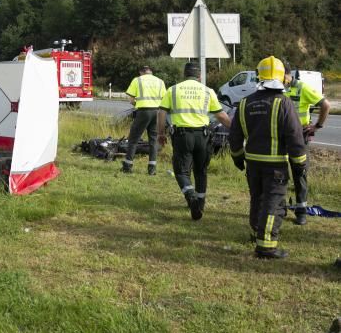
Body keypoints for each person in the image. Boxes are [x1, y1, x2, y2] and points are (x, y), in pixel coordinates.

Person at [229, 56, 307, 259]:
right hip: (276, 166)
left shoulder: (244, 103)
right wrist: (299, 165)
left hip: (252, 164)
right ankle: (266, 246)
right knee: (274, 203)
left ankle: (256, 233)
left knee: (257, 199)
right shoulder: (284, 103)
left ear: (259, 76)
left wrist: (238, 158)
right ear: (282, 78)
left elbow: (234, 136)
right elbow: (295, 138)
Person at [157, 61, 231, 220]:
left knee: (181, 171)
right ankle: (200, 204)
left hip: (182, 136)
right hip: (203, 137)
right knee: (201, 171)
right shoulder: (208, 91)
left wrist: (161, 134)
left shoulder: (173, 90)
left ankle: (191, 198)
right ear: (199, 76)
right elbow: (221, 116)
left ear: (184, 75)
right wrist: (238, 129)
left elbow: (161, 114)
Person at [283, 63, 331, 225]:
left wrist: (317, 126)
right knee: (279, 173)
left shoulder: (302, 87)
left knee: (300, 173)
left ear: (286, 74)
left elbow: (325, 105)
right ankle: (280, 208)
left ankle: (301, 212)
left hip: (299, 138)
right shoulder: (279, 89)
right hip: (281, 137)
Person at [122, 66, 166, 175]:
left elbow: (131, 99)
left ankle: (127, 166)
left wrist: (137, 104)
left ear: (141, 72)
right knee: (153, 140)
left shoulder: (137, 80)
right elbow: (164, 99)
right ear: (151, 72)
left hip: (143, 112)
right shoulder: (160, 81)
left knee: (133, 139)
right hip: (157, 112)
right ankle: (152, 169)